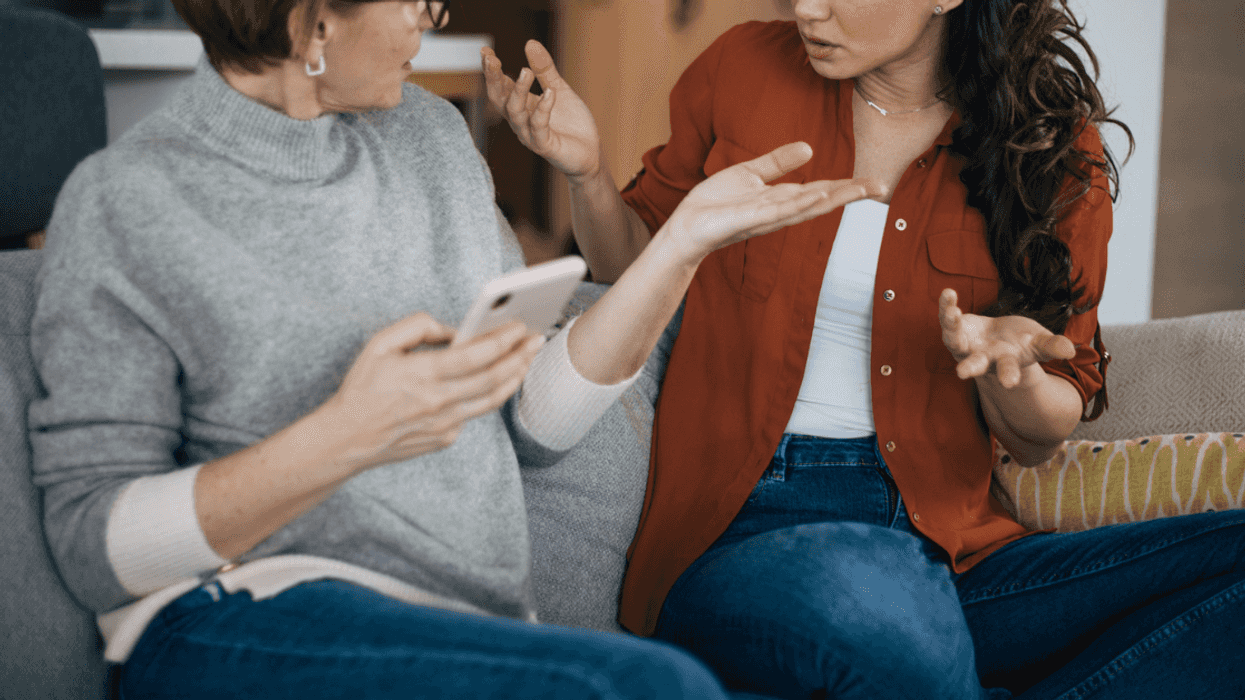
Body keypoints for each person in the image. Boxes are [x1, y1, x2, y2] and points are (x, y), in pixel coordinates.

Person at [27, 0, 878, 697]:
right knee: (653, 691)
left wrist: (677, 247)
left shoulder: (431, 140)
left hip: (463, 620)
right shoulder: (129, 200)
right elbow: (94, 546)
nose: (431, 21)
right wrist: (348, 435)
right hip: (239, 615)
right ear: (310, 26)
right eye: (413, 1)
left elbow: (537, 424)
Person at [485, 0, 1245, 698]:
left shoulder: (1047, 144)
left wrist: (1005, 373)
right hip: (742, 536)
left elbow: (1046, 424)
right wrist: (584, 174)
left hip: (951, 552)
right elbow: (637, 264)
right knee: (867, 590)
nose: (805, 7)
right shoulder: (742, 69)